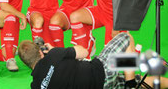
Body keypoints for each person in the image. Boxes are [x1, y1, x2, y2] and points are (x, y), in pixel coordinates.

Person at [18, 32, 168, 89]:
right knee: (126, 38)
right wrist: (54, 50)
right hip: (101, 72)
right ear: (40, 51)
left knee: (137, 79)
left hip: (101, 86)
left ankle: (131, 81)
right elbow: (83, 52)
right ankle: (130, 85)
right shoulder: (54, 54)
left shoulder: (35, 86)